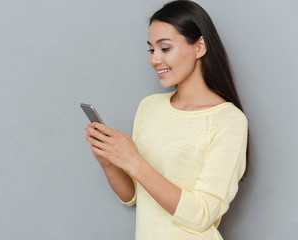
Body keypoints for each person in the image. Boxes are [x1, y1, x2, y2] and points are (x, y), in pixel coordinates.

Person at [84, 0, 249, 239]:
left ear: (200, 46)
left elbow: (202, 215)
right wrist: (109, 160)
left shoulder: (229, 121)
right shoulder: (149, 107)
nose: (154, 59)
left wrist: (132, 160)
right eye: (151, 49)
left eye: (165, 48)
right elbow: (134, 196)